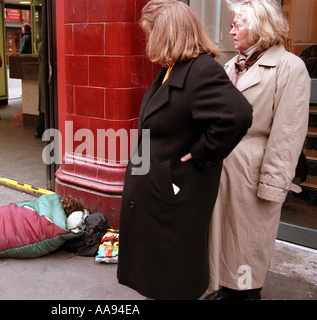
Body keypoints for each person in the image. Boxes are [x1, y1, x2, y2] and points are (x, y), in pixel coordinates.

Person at [117, 0, 253, 300]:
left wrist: (202, 153)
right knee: (158, 272)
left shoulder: (201, 69)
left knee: (174, 275)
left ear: (167, 33)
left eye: (150, 32)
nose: (148, 39)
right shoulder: (172, 68)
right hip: (160, 191)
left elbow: (237, 115)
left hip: (176, 193)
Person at [206, 0, 311, 300]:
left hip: (255, 170)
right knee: (225, 239)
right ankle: (227, 288)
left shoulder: (290, 68)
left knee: (249, 243)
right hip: (225, 170)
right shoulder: (231, 65)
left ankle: (247, 294)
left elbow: (288, 135)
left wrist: (273, 185)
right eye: (232, 23)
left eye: (239, 24)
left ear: (261, 27)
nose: (232, 30)